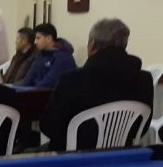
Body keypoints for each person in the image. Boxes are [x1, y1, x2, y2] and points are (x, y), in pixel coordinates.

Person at [40, 18, 154, 151]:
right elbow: (143, 126)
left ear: (92, 45)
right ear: (124, 45)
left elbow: (49, 127)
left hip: (72, 156)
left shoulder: (72, 80)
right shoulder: (145, 79)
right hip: (121, 156)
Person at [19, 23, 77, 88]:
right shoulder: (41, 55)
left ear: (49, 38)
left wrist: (30, 91)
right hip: (36, 91)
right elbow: (28, 79)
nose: (35, 42)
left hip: (50, 93)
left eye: (38, 38)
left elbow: (49, 83)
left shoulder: (63, 57)